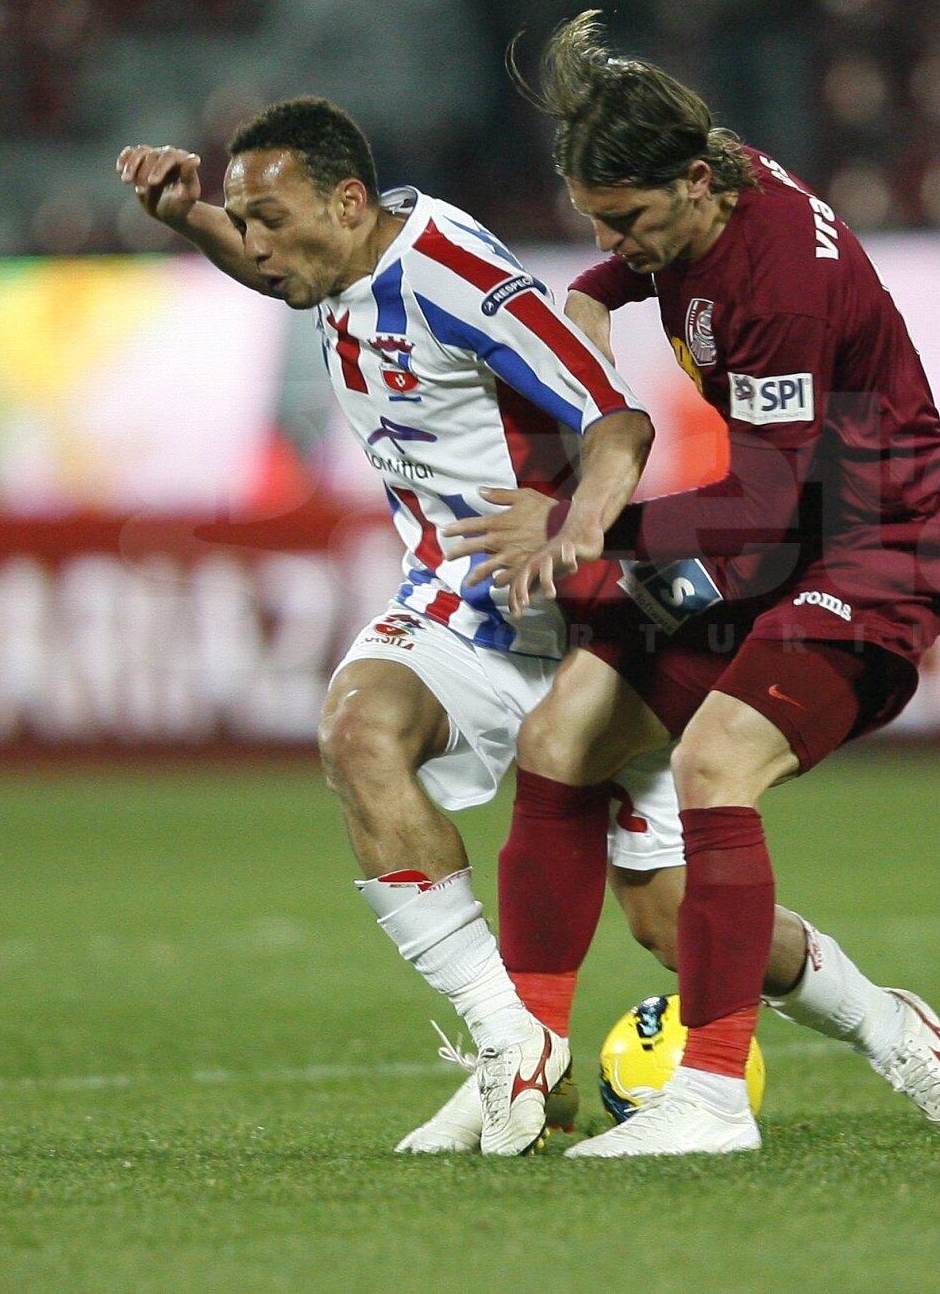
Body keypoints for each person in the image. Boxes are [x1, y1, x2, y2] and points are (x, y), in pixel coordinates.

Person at [449, 12, 940, 1157]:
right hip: (789, 540)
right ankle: (525, 1064)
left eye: (629, 223)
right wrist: (598, 284)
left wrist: (578, 528)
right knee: (559, 740)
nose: (619, 244)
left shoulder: (781, 285)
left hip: (874, 541)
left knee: (715, 762)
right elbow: (760, 517)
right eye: (598, 224)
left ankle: (706, 1101)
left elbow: (763, 504)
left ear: (695, 185)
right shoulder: (714, 191)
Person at [115, 95, 668, 1157]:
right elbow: (274, 266)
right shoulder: (333, 254)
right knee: (360, 728)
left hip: (586, 618)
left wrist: (579, 527)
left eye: (268, 220)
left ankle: (889, 1028)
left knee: (673, 922)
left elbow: (615, 414)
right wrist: (188, 219)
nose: (259, 248)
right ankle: (513, 1043)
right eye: (247, 223)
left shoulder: (454, 272)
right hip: (456, 607)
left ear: (350, 199)